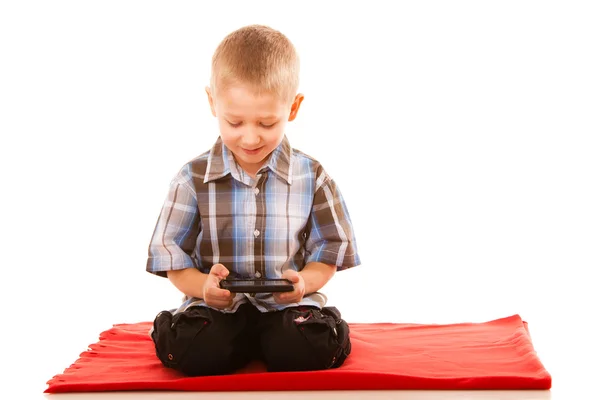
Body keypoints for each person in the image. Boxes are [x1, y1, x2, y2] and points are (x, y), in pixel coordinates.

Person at [146, 24, 361, 376]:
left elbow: (329, 252)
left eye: (266, 123)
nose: (249, 137)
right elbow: (173, 257)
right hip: (217, 309)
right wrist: (203, 287)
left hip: (285, 309)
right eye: (234, 121)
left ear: (293, 107)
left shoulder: (313, 176)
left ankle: (300, 333)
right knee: (195, 354)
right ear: (213, 102)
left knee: (304, 352)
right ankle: (207, 335)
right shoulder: (192, 178)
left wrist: (304, 283)